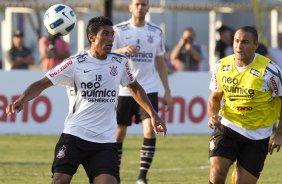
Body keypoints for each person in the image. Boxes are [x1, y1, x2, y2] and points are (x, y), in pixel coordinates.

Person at [6, 16, 167, 184]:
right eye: (105, 34)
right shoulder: (74, 63)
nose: (111, 38)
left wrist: (153, 114)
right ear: (92, 37)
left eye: (112, 34)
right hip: (75, 137)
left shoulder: (119, 62)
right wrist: (22, 99)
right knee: (60, 181)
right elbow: (42, 83)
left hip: (104, 142)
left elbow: (134, 87)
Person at [208, 25, 282, 184]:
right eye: (236, 41)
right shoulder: (221, 66)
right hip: (228, 125)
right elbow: (214, 97)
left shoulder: (270, 71)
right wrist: (213, 115)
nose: (239, 46)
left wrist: (280, 133)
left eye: (245, 42)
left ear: (256, 45)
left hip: (258, 134)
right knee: (216, 174)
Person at [112, 0, 172, 183]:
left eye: (144, 4)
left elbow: (160, 62)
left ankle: (142, 178)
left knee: (149, 130)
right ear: (130, 7)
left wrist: (167, 90)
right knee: (119, 133)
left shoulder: (156, 31)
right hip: (125, 89)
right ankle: (115, 174)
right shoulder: (118, 30)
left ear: (148, 8)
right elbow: (106, 52)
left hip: (149, 88)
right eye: (137, 4)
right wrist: (122, 50)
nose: (140, 7)